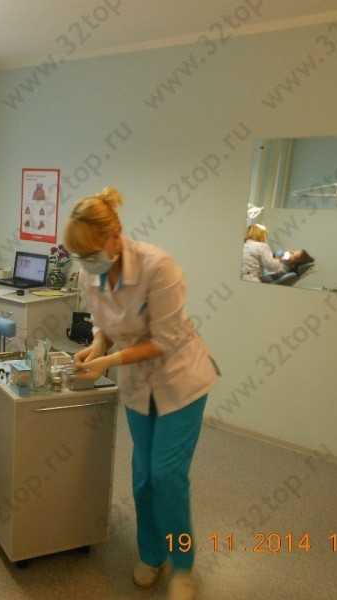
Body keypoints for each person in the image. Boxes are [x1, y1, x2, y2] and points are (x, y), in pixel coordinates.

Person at [65, 187, 219, 600]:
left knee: (168, 477)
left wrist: (109, 361)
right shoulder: (91, 273)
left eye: (90, 252)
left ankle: (183, 566)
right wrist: (97, 346)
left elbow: (165, 340)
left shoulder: (158, 267)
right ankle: (152, 555)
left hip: (180, 382)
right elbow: (104, 324)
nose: (86, 262)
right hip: (138, 387)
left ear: (115, 236)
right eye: (79, 256)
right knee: (143, 479)